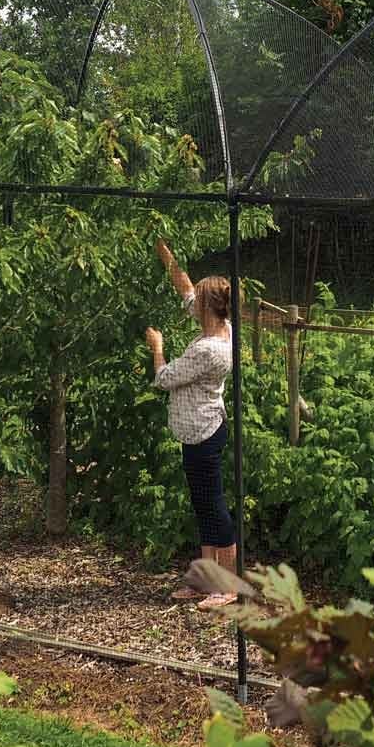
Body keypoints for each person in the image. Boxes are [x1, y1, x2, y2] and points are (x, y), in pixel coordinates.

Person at [146, 238, 237, 610]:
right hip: (200, 431)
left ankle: (228, 586)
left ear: (208, 307)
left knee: (213, 506)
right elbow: (185, 289)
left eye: (198, 299)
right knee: (203, 505)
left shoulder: (208, 350)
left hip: (204, 433)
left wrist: (157, 346)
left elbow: (165, 378)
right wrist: (164, 252)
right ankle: (204, 580)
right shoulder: (223, 326)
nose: (192, 301)